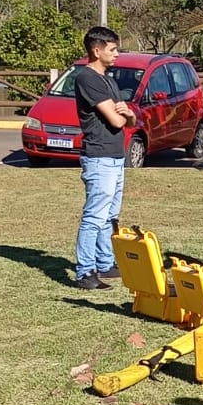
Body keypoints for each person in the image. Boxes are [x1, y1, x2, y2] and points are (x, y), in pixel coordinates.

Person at [73, 25, 134, 290]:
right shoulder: (88, 78)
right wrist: (126, 115)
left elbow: (130, 118)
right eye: (112, 49)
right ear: (96, 51)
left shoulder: (109, 79)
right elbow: (116, 120)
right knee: (95, 216)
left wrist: (128, 114)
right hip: (99, 157)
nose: (117, 54)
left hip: (115, 156)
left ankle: (105, 263)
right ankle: (85, 272)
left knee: (110, 215)